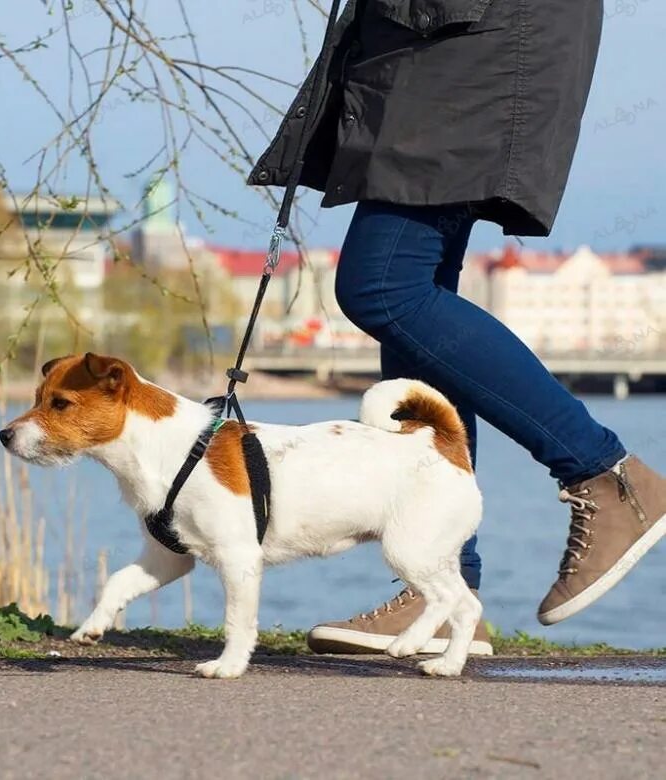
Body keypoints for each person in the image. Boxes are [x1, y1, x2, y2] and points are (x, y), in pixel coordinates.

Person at [248, 0, 666, 655]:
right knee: (415, 299)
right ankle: (442, 594)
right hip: (450, 34)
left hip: (476, 39)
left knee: (383, 285)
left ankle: (605, 473)